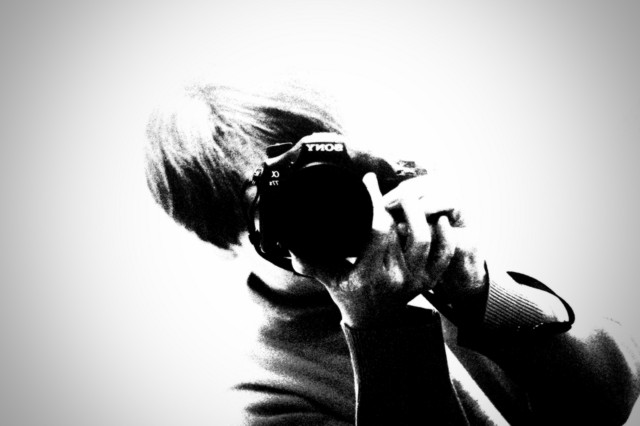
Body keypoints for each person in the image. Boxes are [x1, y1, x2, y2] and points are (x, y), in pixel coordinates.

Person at [144, 80, 640, 425]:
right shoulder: (264, 397)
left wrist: (482, 293)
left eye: (324, 179)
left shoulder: (429, 250)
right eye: (282, 202)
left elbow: (612, 398)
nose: (319, 210)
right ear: (224, 241)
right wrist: (379, 333)